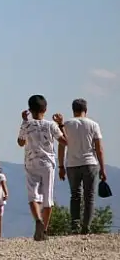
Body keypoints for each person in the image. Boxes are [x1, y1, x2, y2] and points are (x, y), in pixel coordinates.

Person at [17, 94, 67, 241]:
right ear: (45, 109)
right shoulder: (51, 125)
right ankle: (43, 230)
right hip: (47, 163)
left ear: (29, 109)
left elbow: (20, 142)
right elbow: (64, 141)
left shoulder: (26, 124)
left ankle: (38, 220)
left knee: (33, 195)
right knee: (48, 197)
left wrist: (24, 121)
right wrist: (61, 124)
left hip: (31, 162)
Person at [55, 98, 108, 234]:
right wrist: (103, 168)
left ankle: (75, 225)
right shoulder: (93, 125)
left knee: (75, 195)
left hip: (72, 164)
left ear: (73, 110)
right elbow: (99, 149)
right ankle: (86, 226)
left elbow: (61, 147)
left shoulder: (66, 125)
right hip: (90, 163)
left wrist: (61, 166)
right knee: (89, 196)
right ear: (86, 110)